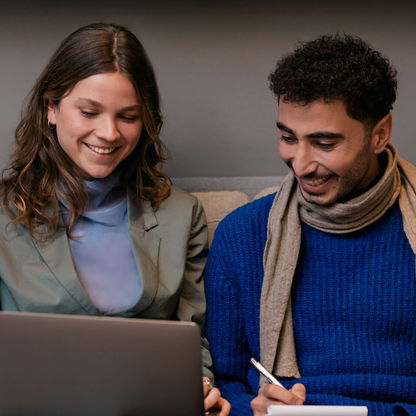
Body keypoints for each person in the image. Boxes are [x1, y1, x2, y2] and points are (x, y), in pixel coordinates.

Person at [0, 22, 229, 415]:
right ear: (50, 109)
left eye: (128, 116)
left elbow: (192, 340)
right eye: (89, 111)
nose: (108, 133)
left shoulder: (180, 214)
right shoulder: (4, 214)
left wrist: (202, 386)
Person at [204, 34, 415, 416]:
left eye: (324, 143)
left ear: (380, 134)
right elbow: (225, 379)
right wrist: (249, 406)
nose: (300, 164)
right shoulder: (241, 235)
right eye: (288, 137)